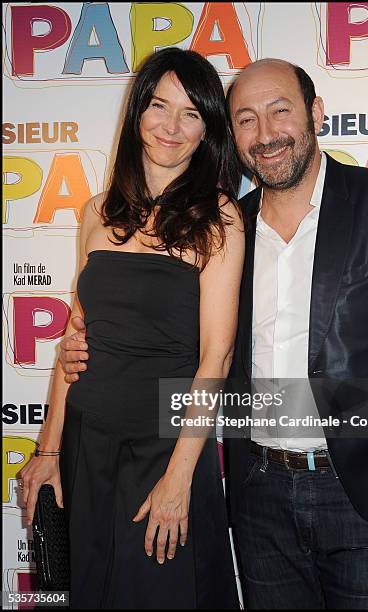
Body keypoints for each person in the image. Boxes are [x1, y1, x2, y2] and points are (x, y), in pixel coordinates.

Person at [59, 58, 368, 609]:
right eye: (246, 119)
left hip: (361, 493)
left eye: (280, 112)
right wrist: (78, 348)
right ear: (232, 133)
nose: (266, 134)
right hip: (257, 491)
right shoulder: (227, 222)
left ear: (316, 113)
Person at [20, 47, 244, 610]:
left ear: (207, 129)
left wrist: (179, 479)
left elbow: (215, 359)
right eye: (158, 106)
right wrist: (48, 448)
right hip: (87, 443)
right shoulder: (97, 211)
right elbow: (79, 338)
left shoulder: (219, 217)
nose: (171, 126)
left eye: (191, 113)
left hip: (164, 448)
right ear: (137, 112)